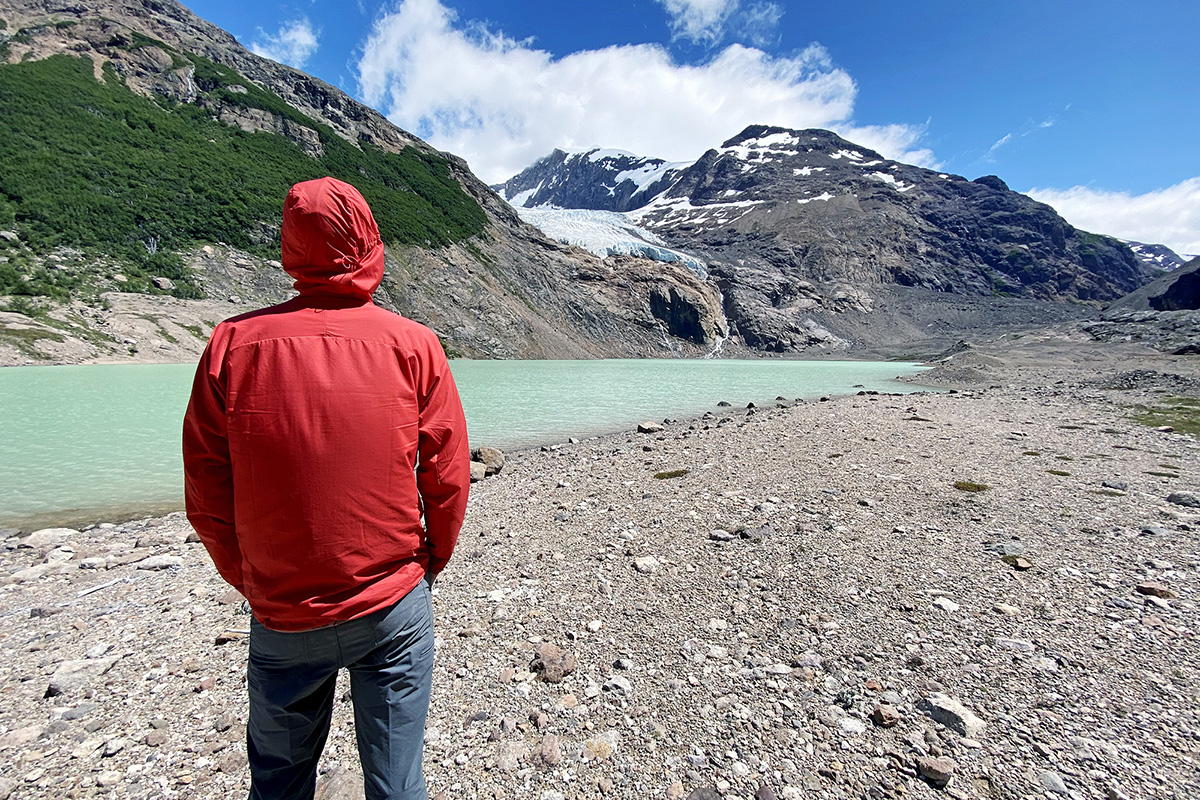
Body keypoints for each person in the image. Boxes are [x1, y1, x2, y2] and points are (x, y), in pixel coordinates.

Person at [182, 176, 470, 800]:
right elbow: (446, 476)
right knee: (396, 783)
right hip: (392, 603)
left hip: (283, 612)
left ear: (289, 246)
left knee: (280, 783)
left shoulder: (230, 344)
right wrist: (426, 567)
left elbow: (205, 488)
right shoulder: (413, 345)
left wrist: (253, 575)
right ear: (369, 242)